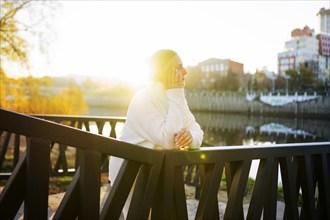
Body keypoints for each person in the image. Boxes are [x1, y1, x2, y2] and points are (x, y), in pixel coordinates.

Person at [109, 49, 204, 184]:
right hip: (129, 174)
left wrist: (190, 138)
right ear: (164, 72)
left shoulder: (176, 99)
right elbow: (168, 141)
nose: (185, 71)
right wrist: (176, 92)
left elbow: (197, 130)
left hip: (154, 172)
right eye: (178, 67)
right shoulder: (144, 99)